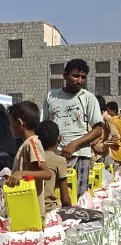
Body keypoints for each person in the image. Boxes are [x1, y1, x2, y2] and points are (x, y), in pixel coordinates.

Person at [43, 59, 103, 199]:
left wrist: (74, 144)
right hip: (55, 156)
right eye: (75, 76)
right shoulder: (52, 96)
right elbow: (44, 125)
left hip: (80, 155)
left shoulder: (88, 98)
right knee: (54, 197)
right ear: (65, 76)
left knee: (77, 197)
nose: (79, 80)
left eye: (83, 77)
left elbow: (98, 129)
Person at [6, 101, 51, 217]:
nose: (10, 127)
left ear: (19, 122)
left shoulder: (32, 143)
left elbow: (46, 173)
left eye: (11, 123)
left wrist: (22, 173)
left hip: (33, 212)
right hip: (25, 208)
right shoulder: (27, 144)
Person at [36, 120, 72, 213]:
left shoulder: (31, 158)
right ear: (59, 139)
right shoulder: (59, 160)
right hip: (49, 210)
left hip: (32, 210)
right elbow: (65, 198)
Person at [91, 95, 119, 167]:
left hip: (103, 156)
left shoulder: (106, 117)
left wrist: (102, 146)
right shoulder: (94, 117)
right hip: (93, 157)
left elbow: (115, 136)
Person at [107, 102, 121, 173]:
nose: (107, 113)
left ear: (114, 111)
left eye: (108, 111)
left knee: (114, 175)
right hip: (119, 153)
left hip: (114, 152)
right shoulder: (119, 121)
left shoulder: (111, 121)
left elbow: (114, 137)